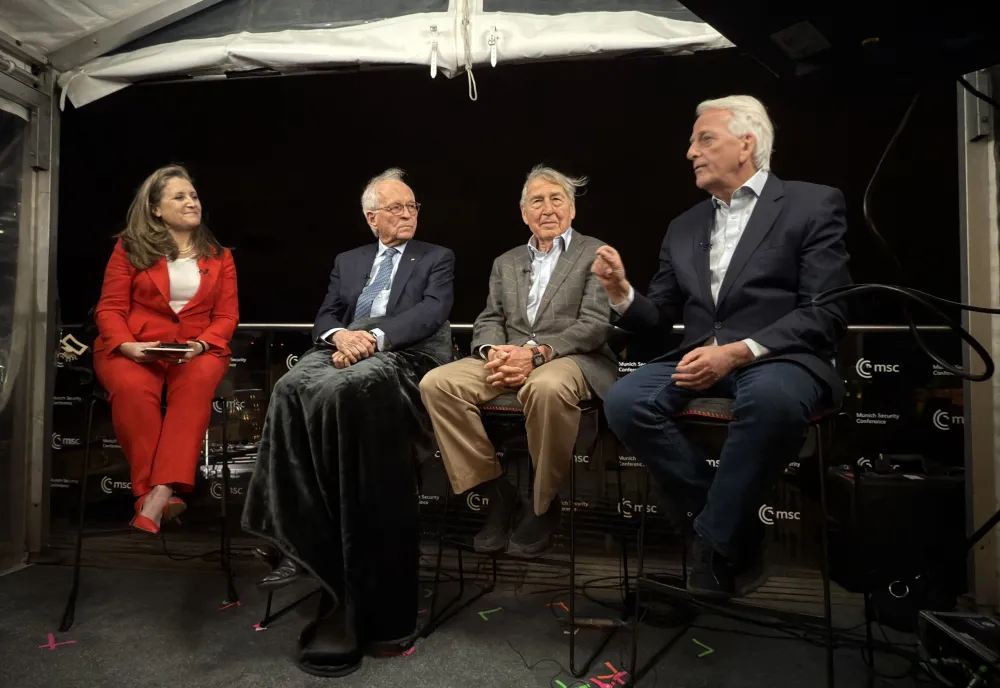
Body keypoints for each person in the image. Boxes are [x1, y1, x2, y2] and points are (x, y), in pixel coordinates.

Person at [595, 95, 851, 599]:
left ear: (747, 143)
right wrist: (621, 293)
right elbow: (658, 316)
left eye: (704, 139)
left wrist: (737, 352)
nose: (690, 151)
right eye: (692, 142)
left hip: (779, 357)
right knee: (625, 401)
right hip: (697, 357)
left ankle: (711, 542)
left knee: (772, 400)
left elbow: (826, 310)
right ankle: (735, 528)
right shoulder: (684, 225)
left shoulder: (812, 203)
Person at [241, 168, 454, 678]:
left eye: (412, 206)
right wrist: (340, 336)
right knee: (289, 387)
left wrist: (372, 339)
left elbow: (431, 313)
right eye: (397, 208)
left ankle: (338, 563)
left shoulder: (437, 257)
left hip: (405, 354)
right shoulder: (348, 260)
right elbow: (326, 315)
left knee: (351, 389)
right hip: (345, 347)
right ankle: (284, 529)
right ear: (371, 216)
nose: (408, 214)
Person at [420, 165, 617, 559]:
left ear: (572, 209)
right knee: (436, 384)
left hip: (571, 358)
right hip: (510, 355)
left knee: (544, 386)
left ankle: (543, 505)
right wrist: (493, 351)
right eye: (537, 201)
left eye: (556, 199)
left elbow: (594, 325)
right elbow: (490, 318)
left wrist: (538, 353)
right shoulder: (505, 262)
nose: (547, 208)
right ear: (524, 213)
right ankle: (497, 493)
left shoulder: (595, 253)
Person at [93, 164, 239, 535]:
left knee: (193, 390)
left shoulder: (220, 256)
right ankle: (152, 493)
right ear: (156, 208)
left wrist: (202, 344)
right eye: (180, 196)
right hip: (135, 345)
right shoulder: (129, 248)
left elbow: (226, 316)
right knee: (131, 390)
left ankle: (158, 493)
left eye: (193, 195)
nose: (192, 202)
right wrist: (127, 346)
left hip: (198, 349)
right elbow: (110, 307)